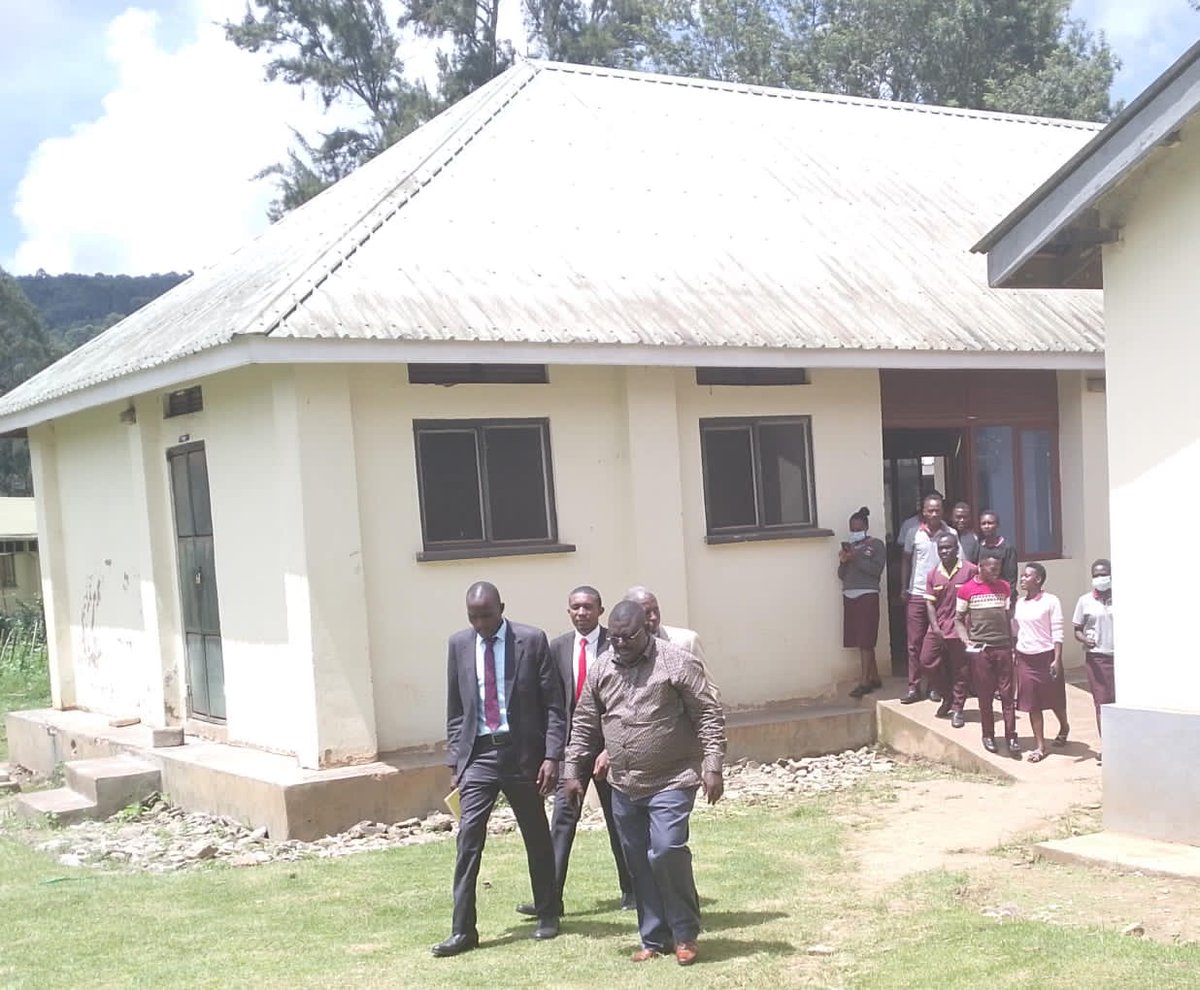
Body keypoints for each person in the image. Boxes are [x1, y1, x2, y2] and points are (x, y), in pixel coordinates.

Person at [564, 600, 726, 967]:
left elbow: (708, 714)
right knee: (637, 860)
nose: (618, 644)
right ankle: (654, 937)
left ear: (646, 630)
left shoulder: (675, 662)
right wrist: (573, 772)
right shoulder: (602, 666)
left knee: (667, 850)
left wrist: (713, 765)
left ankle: (685, 932)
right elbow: (586, 723)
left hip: (672, 777)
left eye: (627, 637)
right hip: (624, 783)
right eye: (615, 637)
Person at [432, 581, 565, 958]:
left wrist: (552, 756)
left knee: (537, 836)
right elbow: (456, 710)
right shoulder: (459, 644)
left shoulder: (532, 640)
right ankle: (463, 931)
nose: (480, 624)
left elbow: (554, 705)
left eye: (487, 615)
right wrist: (456, 761)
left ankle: (548, 912)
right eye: (473, 617)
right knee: (468, 840)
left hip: (522, 755)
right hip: (479, 757)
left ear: (501, 608)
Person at [515, 586, 634, 919]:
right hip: (573, 748)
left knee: (620, 820)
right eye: (575, 608)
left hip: (611, 747)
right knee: (561, 823)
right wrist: (553, 752)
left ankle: (632, 889)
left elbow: (626, 698)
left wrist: (611, 747)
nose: (581, 613)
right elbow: (551, 702)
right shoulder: (558, 648)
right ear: (569, 612)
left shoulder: (618, 643)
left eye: (588, 607)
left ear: (600, 610)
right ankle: (550, 898)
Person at [954, 550, 1021, 757]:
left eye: (999, 569)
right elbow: (958, 619)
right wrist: (966, 639)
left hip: (1003, 647)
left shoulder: (1004, 587)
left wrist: (1014, 642)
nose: (996, 573)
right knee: (985, 695)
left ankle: (1011, 736)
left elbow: (1008, 616)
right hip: (981, 650)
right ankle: (988, 735)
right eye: (992, 569)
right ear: (980, 567)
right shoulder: (966, 590)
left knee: (1008, 695)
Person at [900, 494, 956, 704]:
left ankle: (935, 687)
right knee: (914, 643)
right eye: (930, 510)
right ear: (923, 512)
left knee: (938, 642)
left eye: (937, 510)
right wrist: (904, 587)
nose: (934, 514)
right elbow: (906, 560)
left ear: (943, 511)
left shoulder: (951, 533)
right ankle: (914, 687)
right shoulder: (913, 533)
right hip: (917, 593)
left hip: (941, 596)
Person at [1012, 563, 1069, 763]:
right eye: (1021, 575)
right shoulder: (1019, 603)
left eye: (1026, 576)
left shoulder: (1051, 601)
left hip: (1046, 657)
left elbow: (1058, 631)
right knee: (1032, 703)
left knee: (1054, 699)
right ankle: (1040, 746)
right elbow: (1016, 629)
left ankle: (1064, 726)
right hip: (1025, 658)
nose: (1022, 579)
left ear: (1038, 579)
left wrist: (1057, 658)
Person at [920, 533, 978, 725]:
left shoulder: (970, 570)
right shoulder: (932, 574)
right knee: (927, 662)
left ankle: (957, 709)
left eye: (948, 547)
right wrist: (935, 627)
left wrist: (971, 628)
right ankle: (947, 696)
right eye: (941, 548)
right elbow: (929, 604)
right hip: (938, 628)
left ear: (957, 548)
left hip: (960, 629)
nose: (944, 551)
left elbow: (976, 600)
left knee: (960, 669)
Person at [838, 506, 885, 697]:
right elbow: (841, 575)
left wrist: (856, 558)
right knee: (860, 640)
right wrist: (844, 561)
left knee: (866, 640)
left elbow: (876, 571)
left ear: (865, 527)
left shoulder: (876, 545)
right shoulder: (849, 548)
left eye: (858, 529)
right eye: (852, 529)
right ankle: (874, 677)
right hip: (849, 594)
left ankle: (864, 681)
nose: (854, 533)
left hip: (867, 594)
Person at [1073, 558, 1114, 764]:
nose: (1101, 578)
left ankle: (1125, 744)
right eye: (1096, 575)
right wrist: (1085, 639)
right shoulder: (1085, 601)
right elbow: (1077, 630)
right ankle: (1107, 747)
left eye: (1104, 574)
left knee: (1122, 703)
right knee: (1103, 703)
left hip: (1122, 660)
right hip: (1098, 658)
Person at [976, 510, 1018, 598]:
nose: (986, 526)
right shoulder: (978, 547)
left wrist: (1008, 599)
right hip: (982, 597)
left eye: (990, 523)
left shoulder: (1007, 548)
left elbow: (1011, 578)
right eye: (983, 524)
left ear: (997, 525)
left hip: (1001, 596)